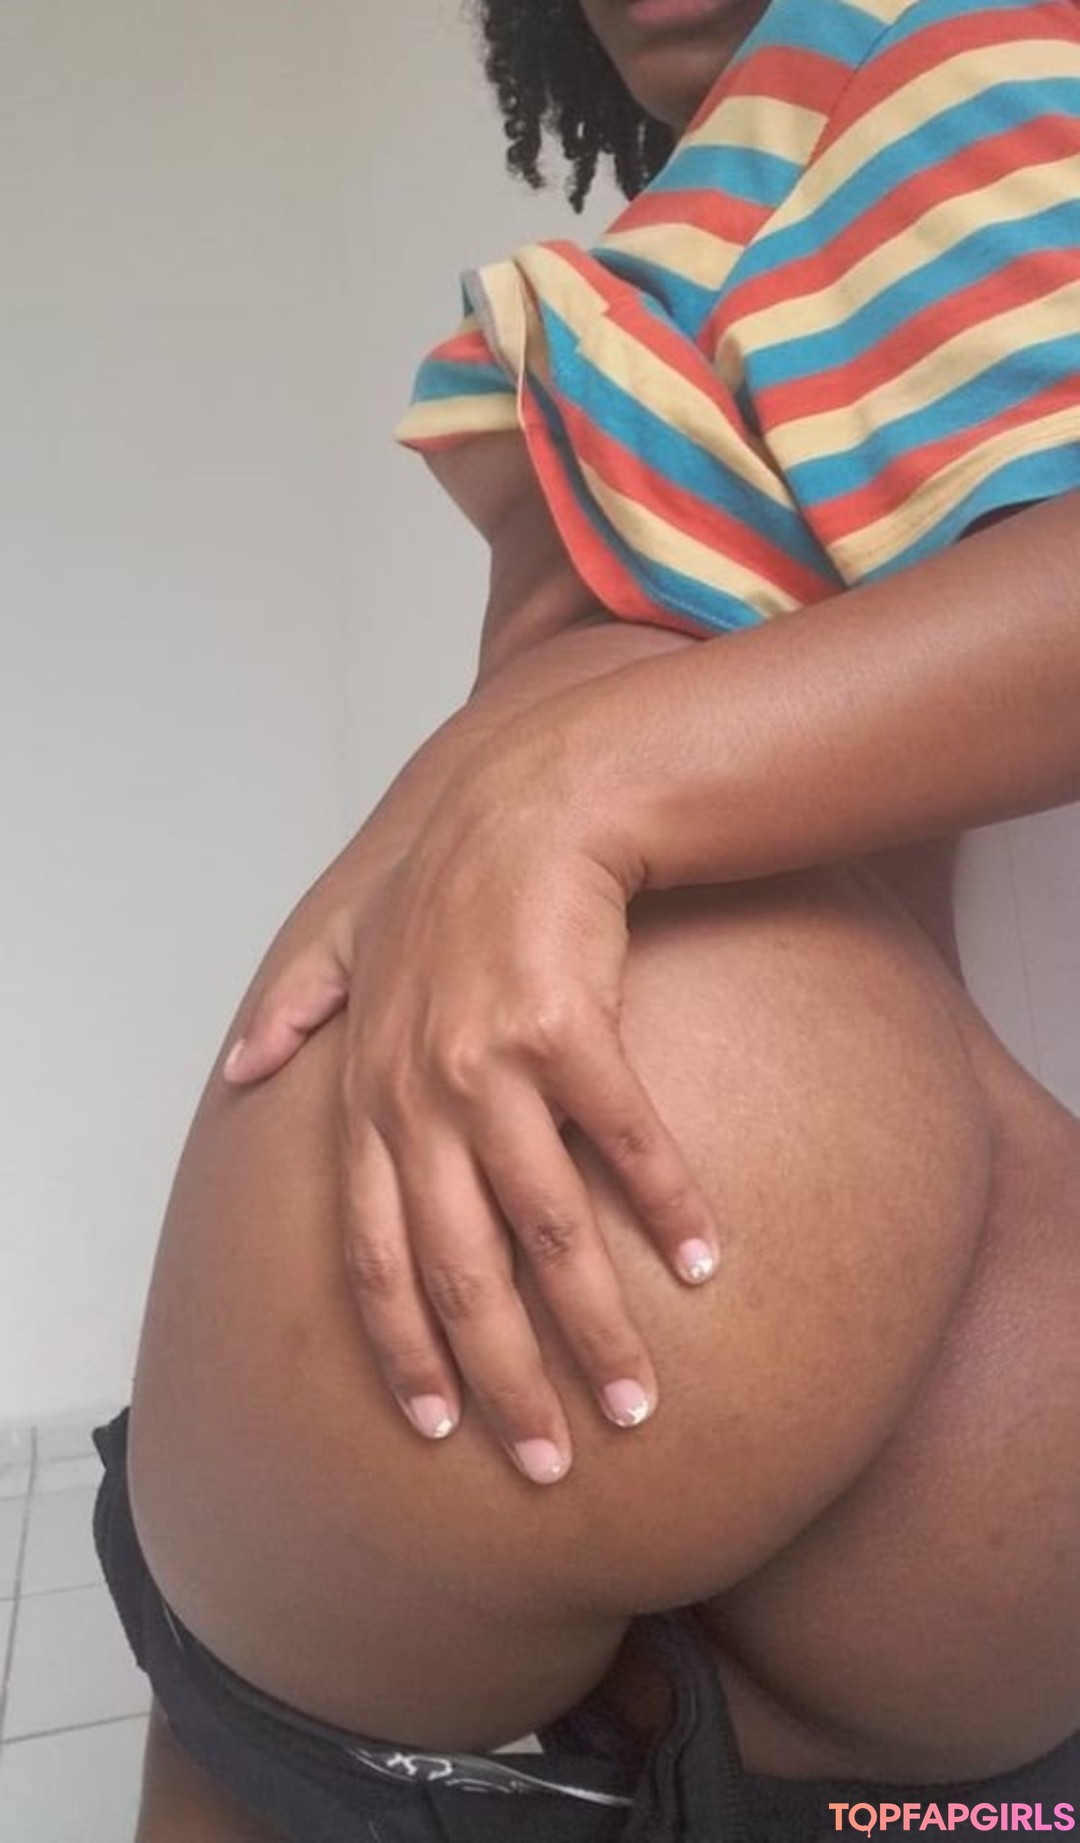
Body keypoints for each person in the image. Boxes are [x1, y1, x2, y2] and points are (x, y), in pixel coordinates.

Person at [92, 0, 1080, 1835]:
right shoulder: (763, 208)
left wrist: (572, 786)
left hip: (702, 1205)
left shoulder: (941, 43)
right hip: (966, 1381)